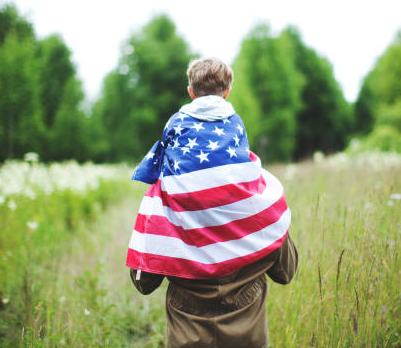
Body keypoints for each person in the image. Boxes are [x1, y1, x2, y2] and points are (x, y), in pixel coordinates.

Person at [127, 57, 298, 348]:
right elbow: (286, 272)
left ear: (190, 92)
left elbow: (143, 281)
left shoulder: (167, 198)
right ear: (227, 92)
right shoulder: (256, 201)